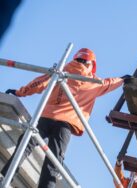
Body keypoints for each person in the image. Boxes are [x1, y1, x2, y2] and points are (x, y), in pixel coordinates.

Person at [1, 48, 130, 188]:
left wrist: (20, 92)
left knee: (25, 145)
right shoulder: (94, 82)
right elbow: (109, 83)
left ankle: (6, 176)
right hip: (65, 126)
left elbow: (39, 83)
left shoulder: (61, 72)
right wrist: (123, 79)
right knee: (54, 161)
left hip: (46, 117)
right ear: (91, 64)